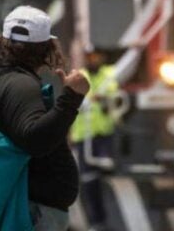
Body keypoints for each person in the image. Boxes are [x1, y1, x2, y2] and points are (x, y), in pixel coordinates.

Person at [0, 5, 90, 230]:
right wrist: (72, 97)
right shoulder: (20, 85)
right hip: (33, 214)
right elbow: (34, 138)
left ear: (3, 42)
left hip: (27, 210)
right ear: (46, 48)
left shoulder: (0, 80)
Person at [70, 51, 118, 230]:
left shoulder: (111, 73)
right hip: (84, 137)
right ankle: (97, 221)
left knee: (105, 174)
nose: (93, 60)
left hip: (104, 134)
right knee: (89, 180)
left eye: (97, 56)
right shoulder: (80, 77)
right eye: (89, 56)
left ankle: (102, 219)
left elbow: (129, 67)